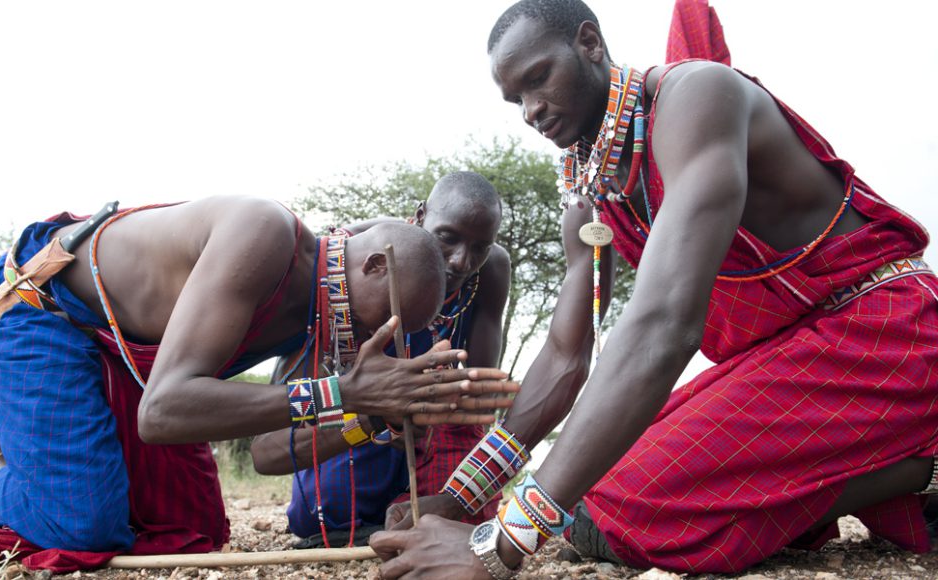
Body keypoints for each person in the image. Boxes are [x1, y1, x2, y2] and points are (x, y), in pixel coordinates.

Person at [369, 0, 938, 576]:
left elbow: (665, 324)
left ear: (589, 44)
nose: (531, 111)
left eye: (538, 79)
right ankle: (884, 470)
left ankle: (920, 461)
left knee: (627, 510)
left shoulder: (697, 99)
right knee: (596, 495)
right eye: (516, 99)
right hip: (790, 359)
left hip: (886, 332)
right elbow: (566, 358)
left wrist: (499, 546)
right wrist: (462, 497)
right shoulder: (590, 198)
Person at [0, 196, 518, 571]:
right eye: (372, 322)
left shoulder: (321, 306)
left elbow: (267, 451)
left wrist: (370, 417)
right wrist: (345, 395)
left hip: (133, 358)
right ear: (374, 266)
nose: (367, 340)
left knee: (190, 533)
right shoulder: (264, 235)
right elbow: (164, 413)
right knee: (82, 527)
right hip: (45, 313)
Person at [249, 172, 512, 547]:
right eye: (447, 238)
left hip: (428, 428)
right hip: (355, 426)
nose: (460, 262)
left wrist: (430, 408)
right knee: (329, 511)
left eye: (479, 247)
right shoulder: (342, 265)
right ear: (420, 216)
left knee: (460, 502)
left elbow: (478, 402)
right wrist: (373, 418)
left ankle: (423, 514)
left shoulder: (489, 271)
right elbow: (267, 452)